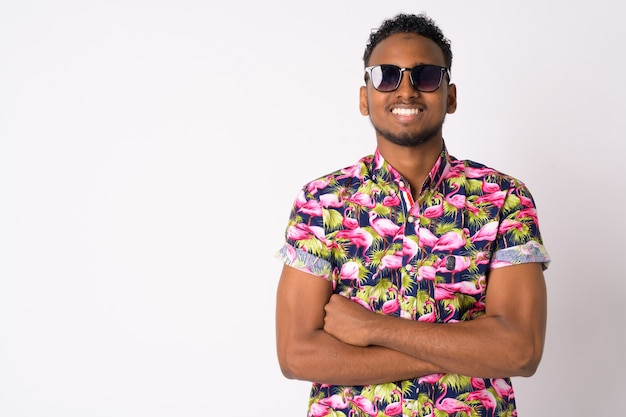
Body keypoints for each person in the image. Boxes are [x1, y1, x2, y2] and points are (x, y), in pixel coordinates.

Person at [275, 12, 550, 417]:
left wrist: (373, 330)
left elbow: (519, 350)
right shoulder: (322, 202)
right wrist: (466, 349)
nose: (405, 90)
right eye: (386, 75)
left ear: (450, 96)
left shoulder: (504, 198)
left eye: (425, 76)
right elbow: (296, 355)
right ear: (364, 96)